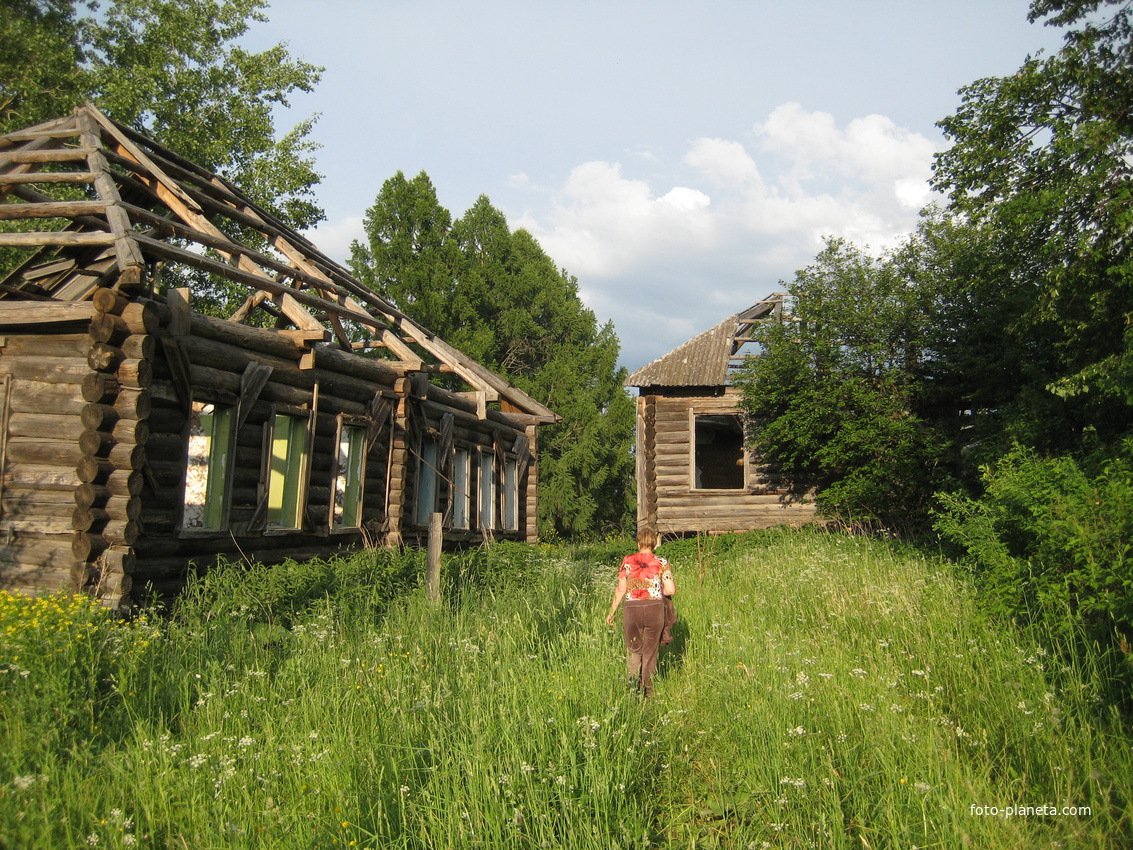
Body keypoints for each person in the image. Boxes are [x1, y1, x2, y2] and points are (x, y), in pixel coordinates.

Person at [605, 526, 675, 697]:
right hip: (655, 609)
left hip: (632, 609)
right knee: (650, 651)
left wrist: (612, 611)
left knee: (634, 649)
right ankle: (648, 691)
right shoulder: (662, 562)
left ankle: (631, 687)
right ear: (654, 543)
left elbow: (621, 589)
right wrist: (658, 591)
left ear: (638, 543)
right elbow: (670, 590)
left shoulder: (627, 561)